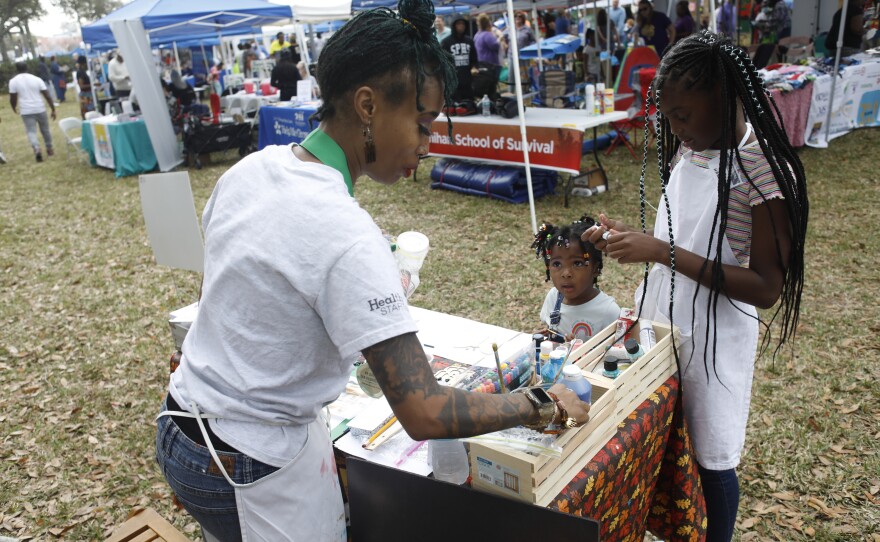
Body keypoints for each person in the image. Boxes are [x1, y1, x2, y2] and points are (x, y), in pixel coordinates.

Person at [154, 2, 591, 540]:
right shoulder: (345, 232)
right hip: (242, 460)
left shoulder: (252, 169)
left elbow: (225, 302)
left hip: (180, 423)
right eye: (423, 123)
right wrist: (539, 405)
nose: (428, 147)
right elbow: (425, 412)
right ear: (367, 105)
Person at [585, 31, 808, 542]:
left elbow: (766, 286)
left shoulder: (762, 173)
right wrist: (630, 238)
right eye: (668, 116)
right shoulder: (695, 149)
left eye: (684, 115)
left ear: (726, 98)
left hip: (714, 338)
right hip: (663, 321)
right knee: (664, 432)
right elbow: (678, 234)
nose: (675, 127)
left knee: (712, 453)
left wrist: (661, 252)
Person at [532, 216, 620, 342]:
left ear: (595, 269)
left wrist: (578, 350)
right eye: (557, 264)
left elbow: (617, 354)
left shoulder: (609, 312)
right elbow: (551, 333)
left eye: (578, 263)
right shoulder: (553, 297)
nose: (566, 273)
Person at [8, 62, 56, 162]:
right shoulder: (37, 79)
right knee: (45, 130)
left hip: (26, 110)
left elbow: (13, 97)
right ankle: (49, 149)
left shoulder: (13, 81)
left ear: (17, 69)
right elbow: (47, 95)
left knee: (31, 131)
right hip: (40, 108)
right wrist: (53, 109)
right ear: (27, 67)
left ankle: (36, 147)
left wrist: (14, 107)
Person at [441, 17, 478, 103]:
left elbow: (474, 57)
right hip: (453, 79)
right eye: (458, 24)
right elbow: (443, 60)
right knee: (455, 105)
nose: (461, 26)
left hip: (467, 78)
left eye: (463, 24)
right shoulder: (446, 42)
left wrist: (474, 67)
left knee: (468, 104)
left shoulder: (469, 41)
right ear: (454, 26)